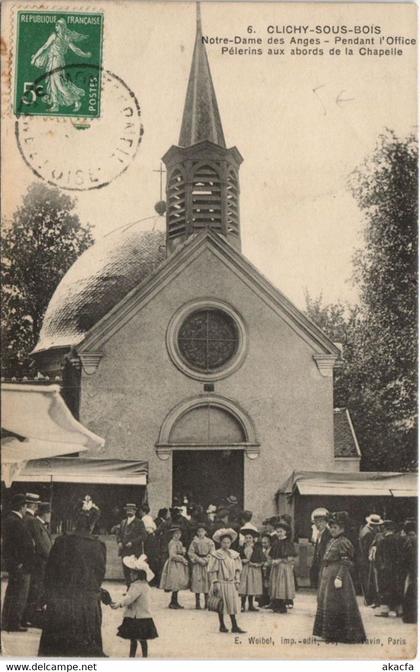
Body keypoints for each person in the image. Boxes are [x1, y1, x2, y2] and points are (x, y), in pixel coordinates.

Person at [38, 504, 107, 656]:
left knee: (56, 653)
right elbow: (99, 576)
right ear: (93, 524)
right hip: (86, 608)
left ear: (75, 521)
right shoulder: (98, 546)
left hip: (60, 604)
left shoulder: (61, 542)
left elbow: (49, 573)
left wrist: (46, 597)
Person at [313, 511, 366, 643]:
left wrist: (340, 577)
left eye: (335, 527)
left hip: (337, 575)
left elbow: (346, 562)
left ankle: (338, 634)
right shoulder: (332, 540)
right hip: (328, 575)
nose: (332, 529)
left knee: (337, 604)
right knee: (327, 603)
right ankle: (327, 633)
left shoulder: (344, 542)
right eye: (331, 527)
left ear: (342, 529)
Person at [30, 18, 92, 113]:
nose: (56, 27)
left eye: (58, 25)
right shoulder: (63, 37)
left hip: (57, 61)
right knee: (52, 83)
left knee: (59, 83)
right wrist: (85, 54)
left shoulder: (58, 37)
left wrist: (85, 54)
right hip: (53, 61)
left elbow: (75, 49)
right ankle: (55, 105)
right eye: (56, 25)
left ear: (62, 27)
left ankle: (76, 100)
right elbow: (45, 47)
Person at [112, 555, 158, 658]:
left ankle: (132, 657)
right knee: (142, 639)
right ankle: (144, 656)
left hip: (136, 617)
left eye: (133, 573)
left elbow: (129, 598)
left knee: (134, 639)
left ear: (139, 575)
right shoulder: (145, 585)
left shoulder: (136, 586)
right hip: (144, 616)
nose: (131, 575)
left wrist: (118, 604)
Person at [1, 494, 34, 632]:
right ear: (22, 507)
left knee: (11, 593)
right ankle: (14, 623)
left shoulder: (8, 520)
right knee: (19, 594)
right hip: (21, 565)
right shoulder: (17, 522)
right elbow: (22, 545)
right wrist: (20, 562)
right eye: (26, 506)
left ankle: (6, 622)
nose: (26, 510)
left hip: (14, 563)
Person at [208, 528, 245, 634]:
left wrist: (237, 581)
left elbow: (238, 569)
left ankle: (234, 626)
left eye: (228, 542)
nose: (226, 544)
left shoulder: (234, 555)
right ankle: (222, 625)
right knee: (221, 604)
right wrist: (215, 582)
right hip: (221, 582)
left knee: (232, 604)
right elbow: (213, 570)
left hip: (231, 583)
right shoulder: (216, 555)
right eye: (224, 542)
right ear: (220, 543)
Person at [23, 501, 52, 628]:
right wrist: (51, 558)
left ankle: (32, 617)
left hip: (43, 563)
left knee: (39, 590)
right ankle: (29, 617)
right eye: (49, 513)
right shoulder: (36, 523)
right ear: (45, 514)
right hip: (40, 563)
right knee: (36, 590)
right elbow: (41, 545)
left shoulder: (40, 524)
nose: (50, 516)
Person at [374, 519, 401, 618]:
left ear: (385, 528)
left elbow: (379, 556)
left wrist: (380, 566)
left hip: (385, 568)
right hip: (396, 568)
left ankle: (386, 610)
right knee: (395, 587)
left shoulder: (383, 541)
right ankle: (396, 609)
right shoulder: (398, 539)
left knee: (385, 588)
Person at [117, 503, 148, 588]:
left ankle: (135, 590)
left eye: (131, 509)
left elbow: (144, 536)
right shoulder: (123, 522)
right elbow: (119, 534)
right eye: (127, 510)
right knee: (126, 570)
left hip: (135, 550)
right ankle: (128, 588)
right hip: (124, 550)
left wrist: (133, 542)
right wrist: (119, 542)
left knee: (134, 570)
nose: (129, 511)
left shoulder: (139, 522)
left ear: (135, 511)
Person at [269, 521, 297, 613]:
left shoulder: (288, 543)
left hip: (284, 567)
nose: (279, 533)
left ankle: (282, 605)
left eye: (281, 531)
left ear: (285, 532)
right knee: (275, 584)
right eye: (277, 531)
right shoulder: (275, 543)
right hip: (276, 567)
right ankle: (276, 603)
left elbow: (290, 557)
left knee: (282, 585)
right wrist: (273, 561)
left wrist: (280, 560)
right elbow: (272, 554)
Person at [159, 526, 189, 609]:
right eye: (175, 534)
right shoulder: (172, 543)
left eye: (179, 534)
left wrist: (183, 552)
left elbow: (180, 552)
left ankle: (175, 601)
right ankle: (173, 602)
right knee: (175, 582)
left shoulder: (179, 543)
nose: (177, 535)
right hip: (174, 564)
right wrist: (182, 559)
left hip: (179, 565)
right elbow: (172, 555)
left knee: (178, 582)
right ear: (172, 535)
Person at [188, 523, 215, 609]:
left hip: (206, 563)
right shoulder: (194, 541)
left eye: (202, 531)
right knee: (197, 582)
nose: (200, 533)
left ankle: (207, 602)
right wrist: (198, 559)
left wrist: (206, 560)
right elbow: (190, 552)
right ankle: (197, 602)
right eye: (199, 531)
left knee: (206, 582)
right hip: (197, 563)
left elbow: (212, 552)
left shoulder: (210, 542)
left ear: (205, 532)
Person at [358, 513, 383, 606]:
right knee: (369, 579)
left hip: (362, 558)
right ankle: (369, 600)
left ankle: (368, 599)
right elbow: (367, 549)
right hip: (366, 559)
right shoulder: (369, 533)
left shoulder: (364, 529)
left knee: (366, 579)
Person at [239, 528, 264, 611]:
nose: (248, 540)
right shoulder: (241, 548)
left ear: (253, 539)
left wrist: (255, 564)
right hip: (245, 569)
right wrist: (242, 560)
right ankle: (242, 604)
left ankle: (251, 605)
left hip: (254, 569)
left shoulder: (257, 548)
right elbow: (238, 558)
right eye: (246, 538)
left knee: (252, 586)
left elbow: (262, 561)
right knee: (244, 586)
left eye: (250, 538)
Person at [309, 508, 331, 589]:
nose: (318, 524)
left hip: (325, 561)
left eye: (321, 521)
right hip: (318, 561)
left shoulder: (328, 534)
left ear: (326, 523)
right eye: (316, 522)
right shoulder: (318, 534)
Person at [401, 519, 417, 624]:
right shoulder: (416, 538)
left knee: (410, 591)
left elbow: (405, 556)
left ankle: (409, 616)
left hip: (411, 569)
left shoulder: (408, 540)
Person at [257, 533, 273, 608]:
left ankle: (269, 601)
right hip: (262, 568)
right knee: (262, 584)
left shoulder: (272, 550)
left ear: (269, 542)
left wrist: (266, 563)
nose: (263, 544)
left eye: (265, 543)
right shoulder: (261, 550)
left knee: (268, 585)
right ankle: (262, 601)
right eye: (262, 542)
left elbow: (270, 560)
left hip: (269, 569)